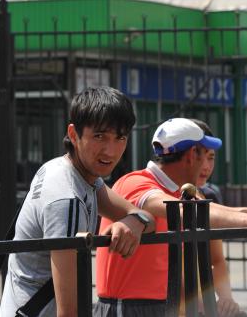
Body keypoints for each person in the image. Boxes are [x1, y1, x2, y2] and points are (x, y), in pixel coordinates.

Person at [0, 87, 155, 317]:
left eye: (120, 138)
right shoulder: (67, 199)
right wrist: (136, 218)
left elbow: (146, 217)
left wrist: (135, 221)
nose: (110, 150)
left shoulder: (70, 171)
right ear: (73, 134)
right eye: (99, 136)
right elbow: (69, 312)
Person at [95, 117, 247, 317]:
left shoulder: (178, 191)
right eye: (206, 155)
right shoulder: (136, 183)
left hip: (163, 304)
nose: (208, 165)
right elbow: (182, 210)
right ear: (192, 155)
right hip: (129, 307)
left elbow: (221, 211)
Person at [192, 119, 241, 317]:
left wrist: (226, 299)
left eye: (211, 157)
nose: (205, 165)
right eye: (198, 156)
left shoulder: (209, 194)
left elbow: (217, 259)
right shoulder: (158, 192)